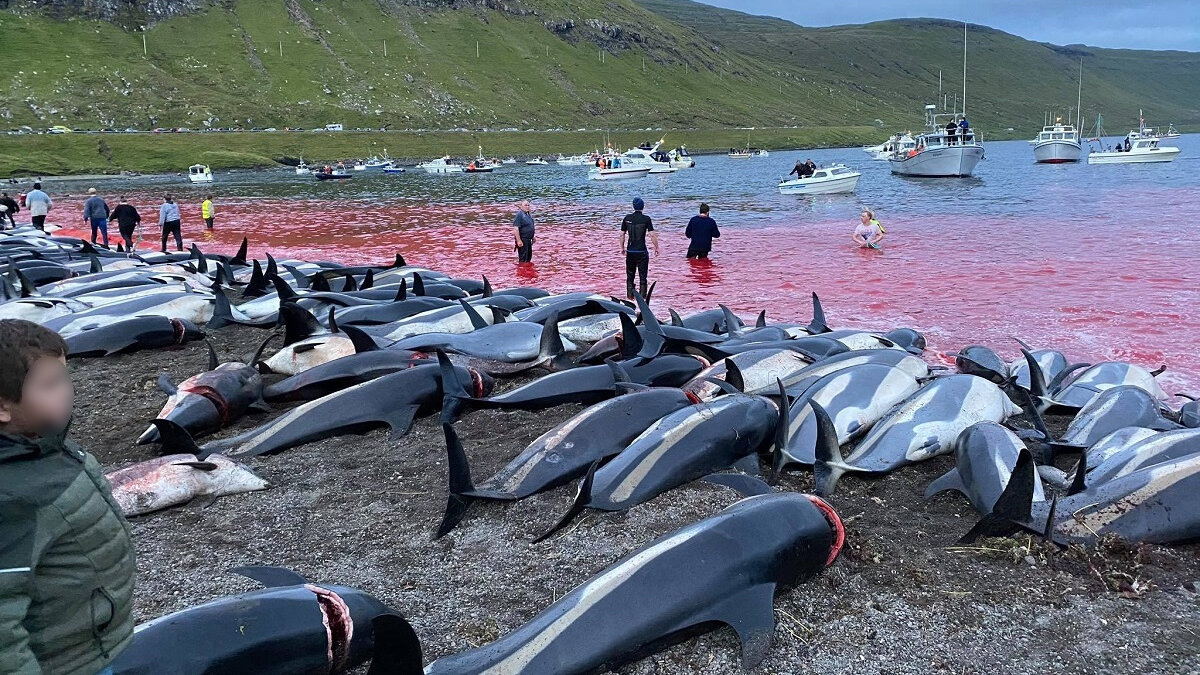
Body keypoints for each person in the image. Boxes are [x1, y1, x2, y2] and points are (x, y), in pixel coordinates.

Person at [0, 319, 136, 675]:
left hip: (92, 644)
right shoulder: (11, 498)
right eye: (51, 384)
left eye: (65, 376)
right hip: (66, 664)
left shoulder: (41, 445)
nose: (68, 390)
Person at [620, 197, 659, 299]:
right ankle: (642, 298)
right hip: (642, 251)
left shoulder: (627, 218)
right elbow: (652, 235)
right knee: (643, 276)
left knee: (630, 275)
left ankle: (630, 296)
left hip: (630, 251)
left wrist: (622, 248)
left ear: (633, 206)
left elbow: (622, 235)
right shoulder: (646, 219)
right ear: (643, 206)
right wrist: (656, 247)